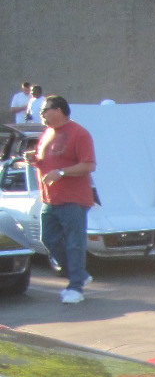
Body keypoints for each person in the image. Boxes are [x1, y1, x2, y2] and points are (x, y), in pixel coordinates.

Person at [23, 95, 96, 305]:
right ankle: (79, 273)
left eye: (45, 110)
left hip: (73, 200)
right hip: (50, 199)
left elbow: (89, 165)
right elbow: (46, 160)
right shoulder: (47, 133)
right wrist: (34, 160)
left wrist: (61, 172)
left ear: (60, 110)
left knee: (75, 244)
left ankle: (76, 287)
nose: (42, 114)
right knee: (49, 239)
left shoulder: (79, 133)